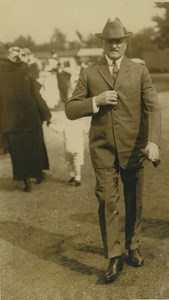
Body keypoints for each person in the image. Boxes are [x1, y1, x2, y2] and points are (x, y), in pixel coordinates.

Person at [65, 18, 161, 283]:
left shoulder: (139, 71)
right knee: (108, 200)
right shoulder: (89, 73)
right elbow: (70, 108)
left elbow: (152, 107)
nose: (115, 45)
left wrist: (153, 141)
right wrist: (95, 101)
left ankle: (133, 245)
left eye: (119, 41)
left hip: (135, 147)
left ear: (126, 43)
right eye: (110, 41)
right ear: (103, 44)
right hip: (103, 148)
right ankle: (114, 256)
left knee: (134, 200)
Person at [0, 46, 51, 192]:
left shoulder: (1, 74)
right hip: (31, 119)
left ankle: (25, 179)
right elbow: (36, 95)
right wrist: (47, 115)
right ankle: (39, 175)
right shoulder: (26, 71)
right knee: (35, 147)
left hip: (11, 122)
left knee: (18, 152)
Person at [48, 116, 88, 186]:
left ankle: (71, 176)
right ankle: (77, 179)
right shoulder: (81, 122)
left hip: (68, 146)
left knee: (69, 162)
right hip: (78, 146)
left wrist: (50, 125)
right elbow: (86, 130)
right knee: (77, 163)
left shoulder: (65, 121)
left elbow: (57, 129)